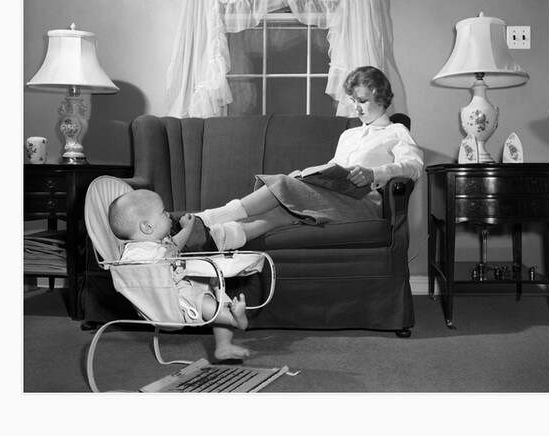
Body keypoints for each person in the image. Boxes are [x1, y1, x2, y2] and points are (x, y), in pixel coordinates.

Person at [198, 65, 423, 250]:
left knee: (282, 183)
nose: (356, 107)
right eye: (353, 101)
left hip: (364, 204)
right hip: (335, 197)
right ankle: (218, 238)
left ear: (379, 95)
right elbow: (336, 169)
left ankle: (209, 217)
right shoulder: (349, 134)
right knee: (283, 210)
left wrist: (374, 173)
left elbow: (414, 166)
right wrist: (307, 176)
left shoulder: (396, 132)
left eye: (362, 101)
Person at [108, 188, 250, 361]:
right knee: (203, 300)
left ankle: (224, 345)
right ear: (147, 226)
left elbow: (174, 246)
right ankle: (234, 319)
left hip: (181, 284)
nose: (168, 214)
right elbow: (135, 276)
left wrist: (188, 228)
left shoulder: (155, 242)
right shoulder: (135, 254)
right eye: (163, 212)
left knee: (215, 286)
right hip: (171, 298)